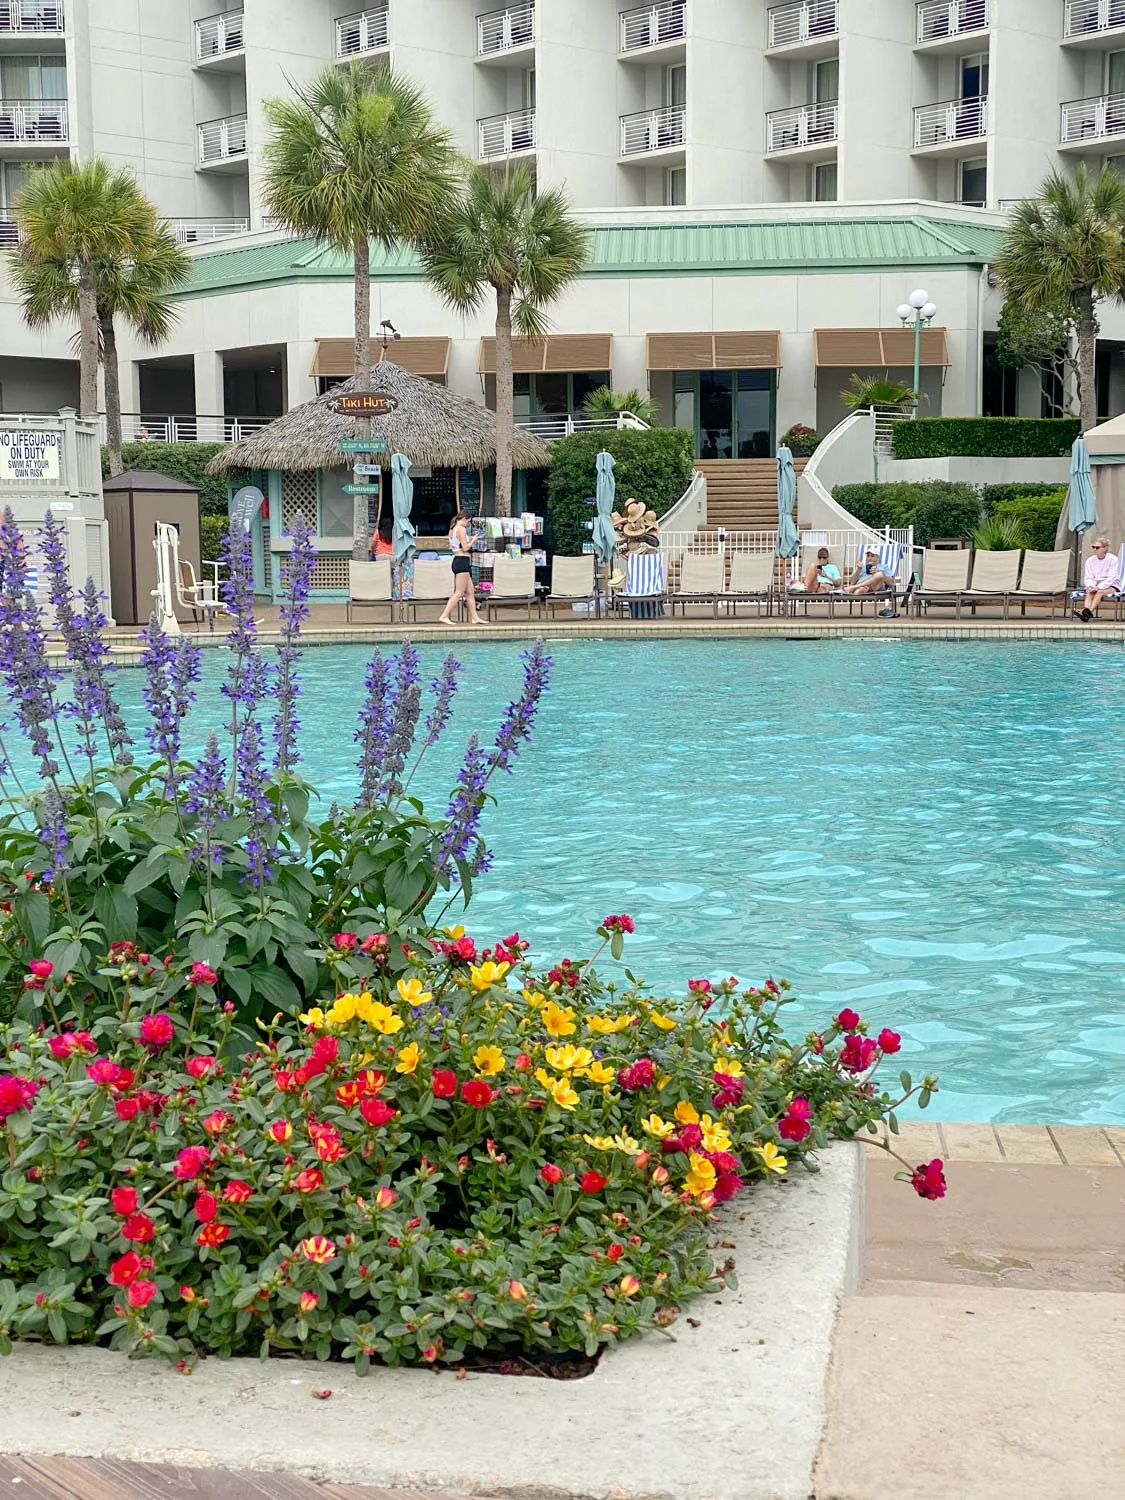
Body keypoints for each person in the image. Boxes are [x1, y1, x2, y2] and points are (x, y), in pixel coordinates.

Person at [436, 511, 485, 626]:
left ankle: (475, 617)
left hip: (459, 561)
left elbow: (457, 545)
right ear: (463, 519)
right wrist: (473, 540)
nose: (468, 524)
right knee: (459, 592)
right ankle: (444, 615)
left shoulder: (452, 529)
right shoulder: (461, 529)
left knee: (470, 591)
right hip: (462, 561)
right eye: (468, 521)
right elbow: (465, 548)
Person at [1077, 537, 1120, 621]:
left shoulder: (1113, 559)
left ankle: (1087, 612)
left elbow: (1111, 577)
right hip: (1095, 584)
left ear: (1104, 548)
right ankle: (1086, 614)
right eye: (1093, 547)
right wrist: (1091, 586)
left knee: (1099, 592)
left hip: (1111, 585)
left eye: (1097, 547)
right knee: (1090, 591)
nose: (1095, 549)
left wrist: (1098, 587)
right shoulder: (1090, 560)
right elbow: (1089, 576)